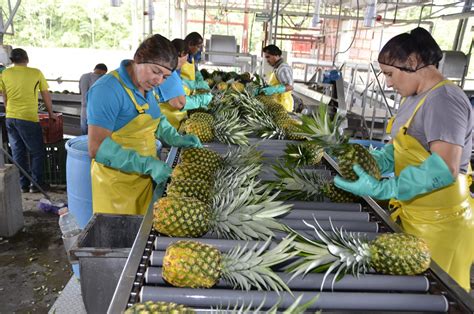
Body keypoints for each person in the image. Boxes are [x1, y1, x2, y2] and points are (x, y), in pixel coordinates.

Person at [334, 27, 473, 291]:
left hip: (442, 223)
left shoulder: (444, 100)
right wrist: (379, 160)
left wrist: (385, 188)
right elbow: (407, 143)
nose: (387, 83)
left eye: (389, 74)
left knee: (437, 296)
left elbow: (445, 167)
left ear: (411, 63)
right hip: (416, 212)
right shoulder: (415, 96)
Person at [87, 34, 202, 216]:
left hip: (144, 180)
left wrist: (173, 137)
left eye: (165, 77)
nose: (159, 81)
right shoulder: (107, 90)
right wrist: (147, 164)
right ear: (138, 59)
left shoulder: (147, 86)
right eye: (155, 71)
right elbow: (97, 147)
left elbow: (154, 118)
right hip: (117, 187)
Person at [0, 48, 57, 193]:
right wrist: (51, 113)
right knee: (36, 152)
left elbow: (4, 95)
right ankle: (36, 184)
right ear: (27, 59)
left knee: (18, 151)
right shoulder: (35, 73)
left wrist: (9, 111)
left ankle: (23, 184)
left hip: (11, 117)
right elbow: (45, 95)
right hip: (28, 118)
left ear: (12, 60)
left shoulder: (5, 73)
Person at [157, 38, 212, 129]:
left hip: (173, 122)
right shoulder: (168, 71)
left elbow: (177, 82)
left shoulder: (171, 70)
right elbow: (178, 103)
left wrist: (191, 84)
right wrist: (201, 100)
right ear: (183, 54)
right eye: (187, 56)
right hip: (167, 121)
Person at [261, 44, 294, 112]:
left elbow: (290, 86)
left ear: (276, 55)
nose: (267, 60)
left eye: (268, 57)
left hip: (284, 106)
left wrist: (274, 89)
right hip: (277, 105)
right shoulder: (277, 68)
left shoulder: (283, 68)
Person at [79, 63, 108, 135]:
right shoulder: (101, 79)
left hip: (84, 107)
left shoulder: (83, 76)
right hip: (94, 109)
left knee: (84, 129)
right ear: (103, 72)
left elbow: (80, 90)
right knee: (93, 132)